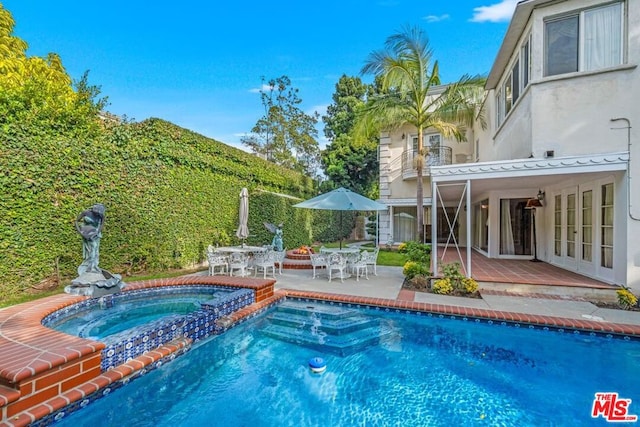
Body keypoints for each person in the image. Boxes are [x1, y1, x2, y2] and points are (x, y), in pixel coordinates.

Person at [75, 203, 105, 275]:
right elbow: (76, 221)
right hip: (86, 233)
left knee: (95, 249)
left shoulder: (101, 215)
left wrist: (97, 232)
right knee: (90, 249)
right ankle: (89, 265)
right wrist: (80, 232)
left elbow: (101, 224)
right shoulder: (86, 212)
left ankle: (93, 266)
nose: (98, 214)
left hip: (95, 234)